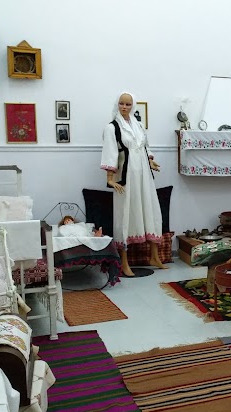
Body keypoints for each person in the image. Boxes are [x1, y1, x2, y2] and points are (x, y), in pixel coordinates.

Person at [101, 91, 168, 277]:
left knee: (150, 209)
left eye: (128, 104)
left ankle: (154, 257)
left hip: (144, 174)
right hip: (126, 175)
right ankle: (124, 262)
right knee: (126, 214)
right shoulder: (112, 127)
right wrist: (110, 179)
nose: (124, 107)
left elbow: (145, 145)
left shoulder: (138, 125)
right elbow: (110, 152)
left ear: (133, 106)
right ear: (117, 104)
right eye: (121, 103)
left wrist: (150, 161)